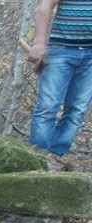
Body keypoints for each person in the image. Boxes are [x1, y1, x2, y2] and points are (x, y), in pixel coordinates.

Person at [28, 0, 92, 156]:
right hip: (61, 50)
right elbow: (44, 7)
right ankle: (37, 158)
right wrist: (39, 43)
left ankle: (55, 157)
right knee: (47, 106)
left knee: (77, 110)